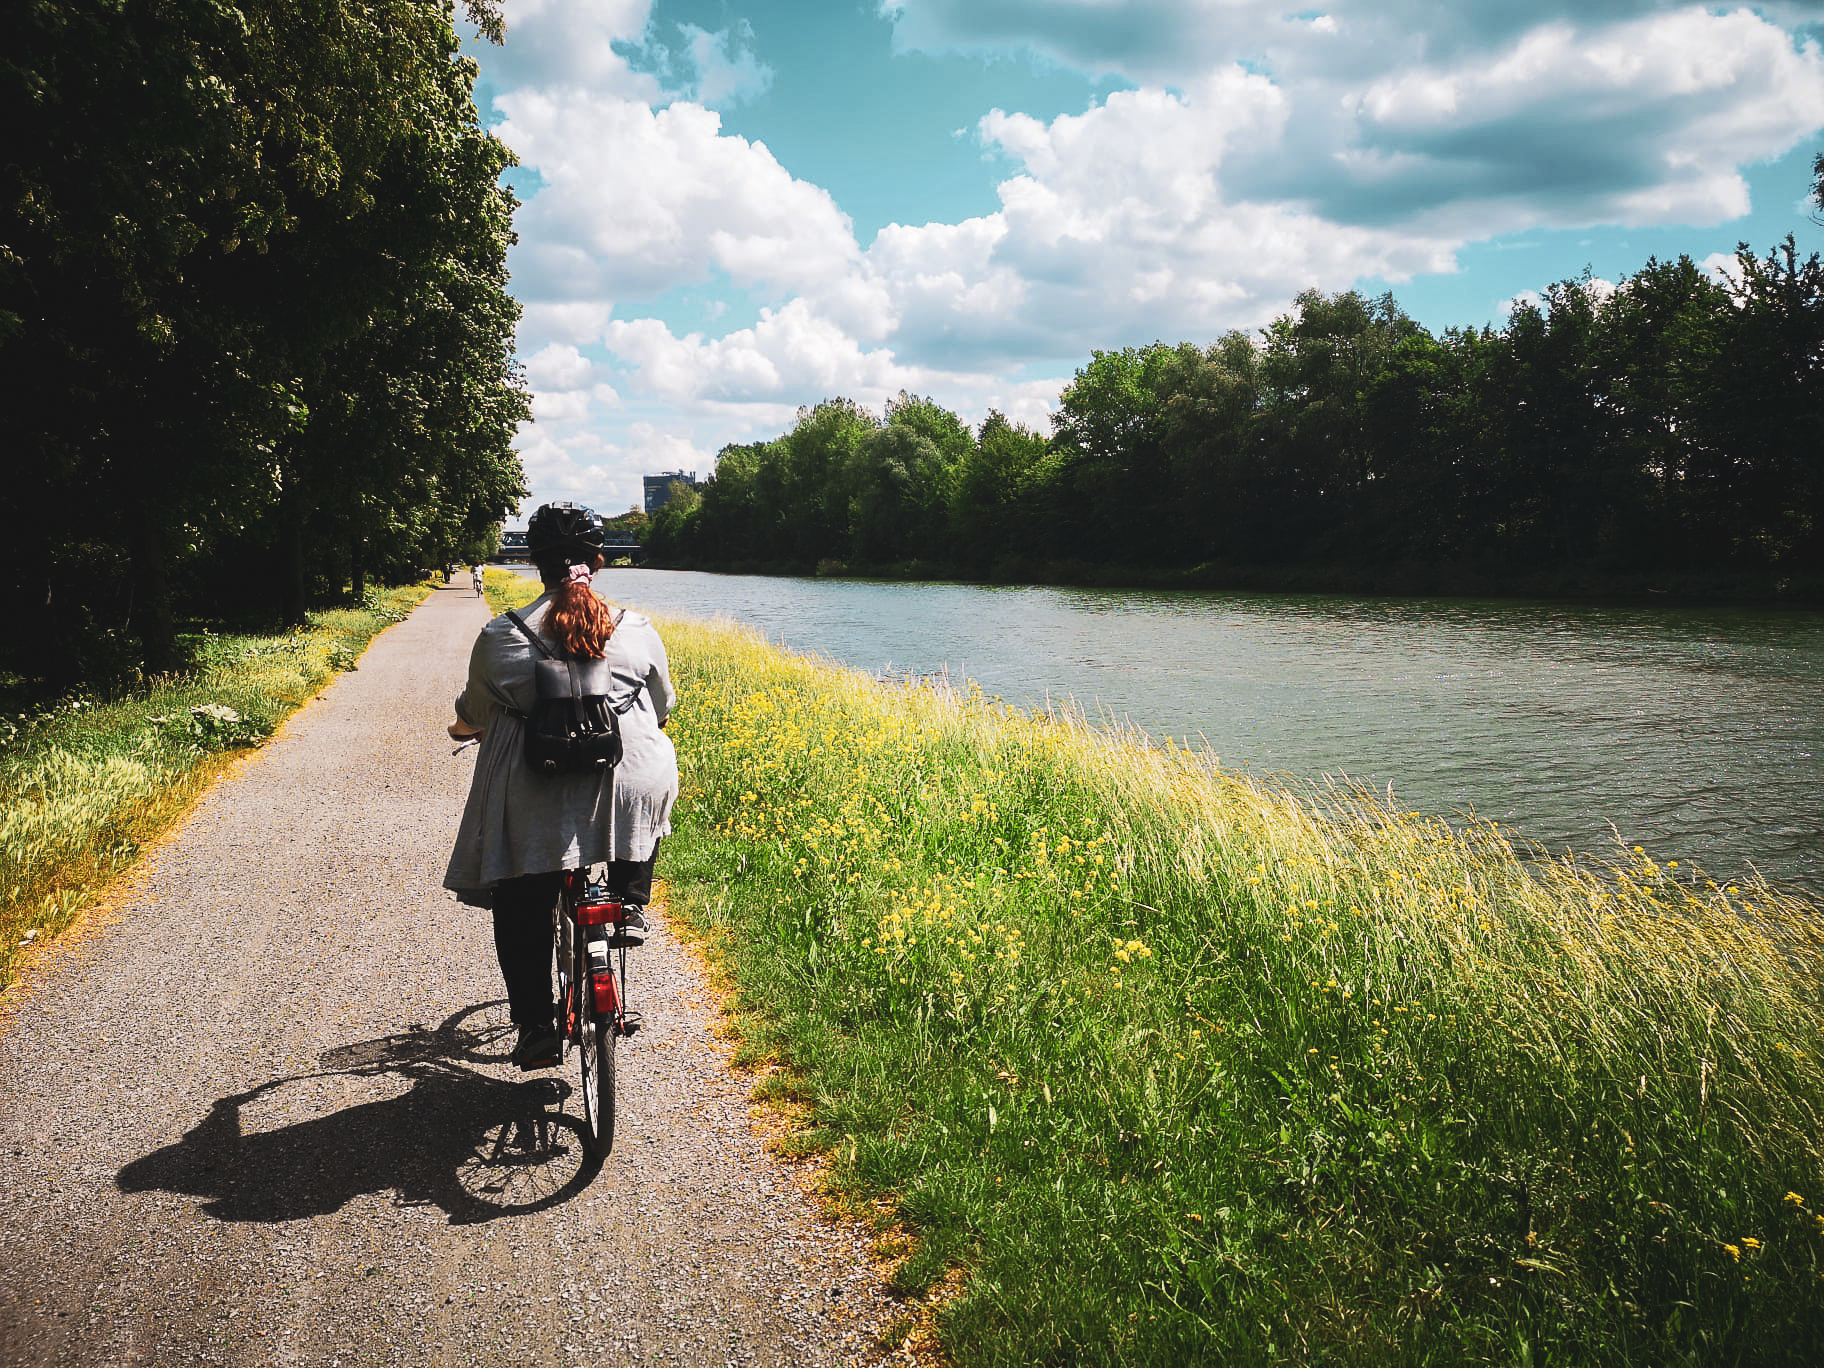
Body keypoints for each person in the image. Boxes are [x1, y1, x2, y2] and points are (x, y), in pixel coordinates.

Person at [443, 502, 678, 1070]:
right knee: (644, 784)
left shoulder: (501, 636)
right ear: (599, 561)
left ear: (535, 563)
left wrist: (466, 725)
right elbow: (664, 706)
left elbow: (473, 712)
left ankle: (535, 1025)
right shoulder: (636, 628)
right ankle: (630, 899)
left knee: (521, 901)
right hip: (630, 780)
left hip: (535, 787)